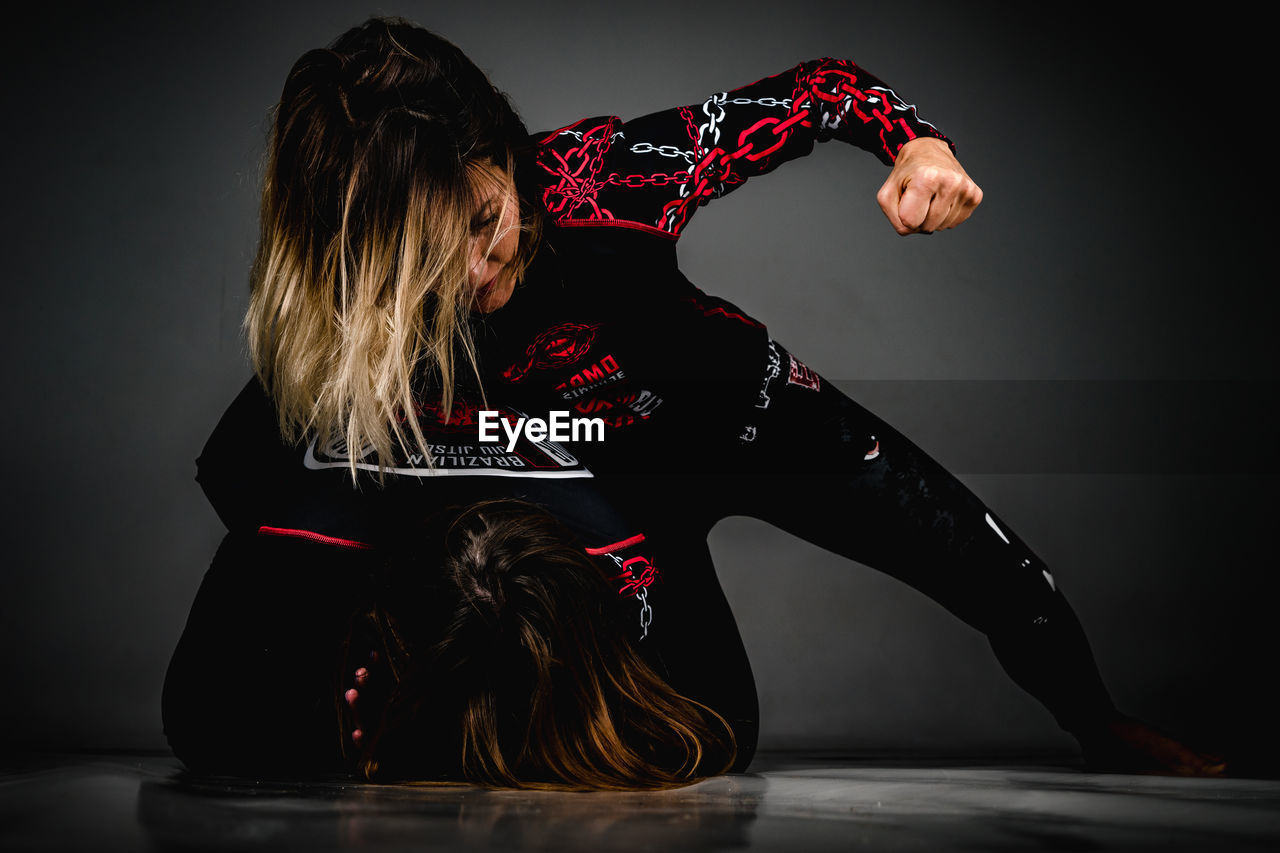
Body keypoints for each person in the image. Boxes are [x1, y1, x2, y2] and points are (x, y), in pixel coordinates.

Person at [165, 16, 1226, 789]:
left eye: (486, 222)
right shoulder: (342, 311)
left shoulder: (598, 180)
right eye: (425, 267)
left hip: (691, 413)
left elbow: (815, 90)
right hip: (496, 447)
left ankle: (1099, 719)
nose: (478, 276)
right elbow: (243, 496)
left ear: (501, 152)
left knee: (971, 553)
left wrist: (918, 147)